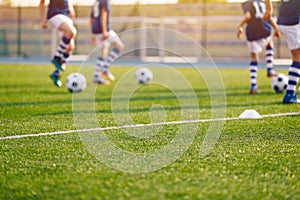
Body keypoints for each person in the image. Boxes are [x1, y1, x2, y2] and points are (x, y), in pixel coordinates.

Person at [237, 0, 280, 94]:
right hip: (265, 29)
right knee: (269, 43)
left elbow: (248, 15)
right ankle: (269, 68)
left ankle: (253, 85)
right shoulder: (263, 2)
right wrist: (276, 29)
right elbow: (269, 16)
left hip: (253, 32)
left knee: (254, 58)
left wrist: (240, 26)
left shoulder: (247, 3)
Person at [39, 0, 77, 87]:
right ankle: (57, 57)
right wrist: (43, 20)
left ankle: (56, 73)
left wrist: (70, 8)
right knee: (72, 32)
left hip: (66, 17)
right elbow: (41, 3)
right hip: (55, 15)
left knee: (70, 47)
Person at [90, 0, 125, 85]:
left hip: (96, 30)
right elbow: (103, 14)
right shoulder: (104, 1)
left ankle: (96, 78)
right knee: (119, 46)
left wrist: (94, 35)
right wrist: (104, 31)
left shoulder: (96, 2)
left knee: (103, 52)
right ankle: (104, 67)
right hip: (104, 29)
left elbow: (91, 19)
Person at [276, 0, 300, 104]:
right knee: (297, 57)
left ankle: (290, 93)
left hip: (283, 20)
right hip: (293, 22)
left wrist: (269, 8)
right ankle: (289, 94)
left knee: (297, 56)